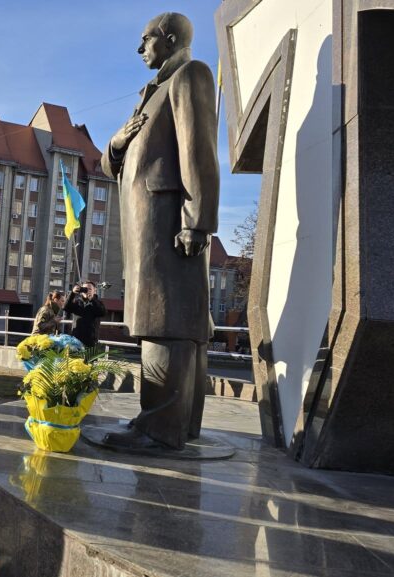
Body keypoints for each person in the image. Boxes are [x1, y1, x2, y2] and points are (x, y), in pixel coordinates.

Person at [100, 12, 218, 450]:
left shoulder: (190, 76)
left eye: (145, 39)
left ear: (168, 40)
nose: (140, 48)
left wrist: (197, 220)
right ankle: (170, 422)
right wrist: (115, 143)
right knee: (163, 317)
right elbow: (109, 164)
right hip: (148, 225)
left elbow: (200, 153)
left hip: (170, 223)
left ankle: (162, 429)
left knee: (168, 318)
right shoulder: (151, 94)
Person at [63, 282, 108, 347]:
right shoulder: (77, 302)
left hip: (90, 340)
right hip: (76, 339)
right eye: (85, 288)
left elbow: (103, 313)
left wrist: (92, 300)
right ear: (81, 290)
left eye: (89, 289)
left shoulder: (98, 302)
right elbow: (65, 307)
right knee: (75, 357)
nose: (87, 291)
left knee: (89, 357)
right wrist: (72, 293)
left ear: (94, 291)